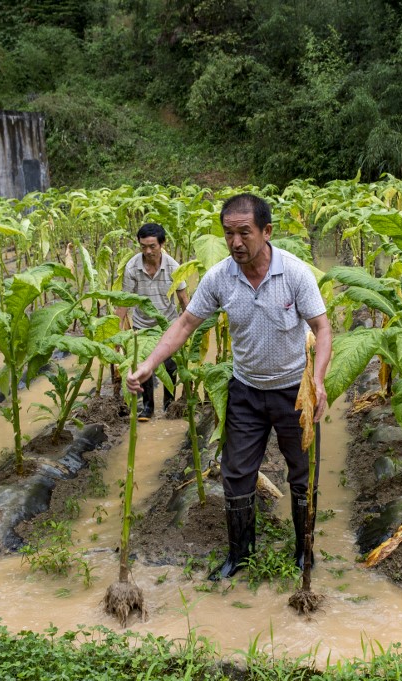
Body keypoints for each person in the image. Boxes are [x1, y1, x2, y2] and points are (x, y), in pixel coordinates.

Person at [127, 193, 332, 580]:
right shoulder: (220, 276)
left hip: (294, 390)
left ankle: (304, 553)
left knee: (303, 473)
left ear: (266, 231)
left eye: (244, 232)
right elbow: (186, 323)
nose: (236, 242)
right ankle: (240, 555)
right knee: (236, 473)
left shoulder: (295, 273)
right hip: (246, 391)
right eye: (228, 234)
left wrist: (317, 381)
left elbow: (322, 328)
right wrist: (148, 365)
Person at [115, 222, 190, 421]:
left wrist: (190, 330)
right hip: (142, 325)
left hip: (168, 324)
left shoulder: (173, 266)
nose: (147, 251)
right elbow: (124, 302)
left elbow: (183, 299)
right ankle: (147, 407)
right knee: (143, 366)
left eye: (152, 246)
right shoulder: (133, 267)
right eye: (143, 246)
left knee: (170, 366)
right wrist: (116, 333)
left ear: (162, 244)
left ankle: (169, 404)